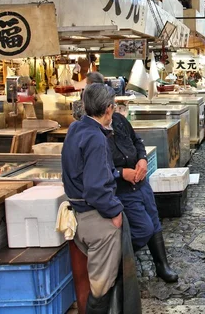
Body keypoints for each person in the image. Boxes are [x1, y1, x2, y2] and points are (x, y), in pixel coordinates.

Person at [86, 74, 178, 283]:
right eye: (113, 105)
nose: (115, 109)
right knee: (142, 228)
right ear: (106, 107)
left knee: (154, 219)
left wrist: (143, 160)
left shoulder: (118, 120)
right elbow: (97, 170)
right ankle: (117, 265)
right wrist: (121, 173)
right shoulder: (93, 134)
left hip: (140, 183)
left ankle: (162, 266)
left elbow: (137, 141)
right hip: (122, 190)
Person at [61, 83, 123, 313]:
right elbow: (96, 188)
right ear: (108, 109)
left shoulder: (75, 129)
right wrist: (114, 212)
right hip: (96, 218)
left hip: (78, 214)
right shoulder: (96, 139)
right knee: (101, 284)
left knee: (94, 279)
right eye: (114, 108)